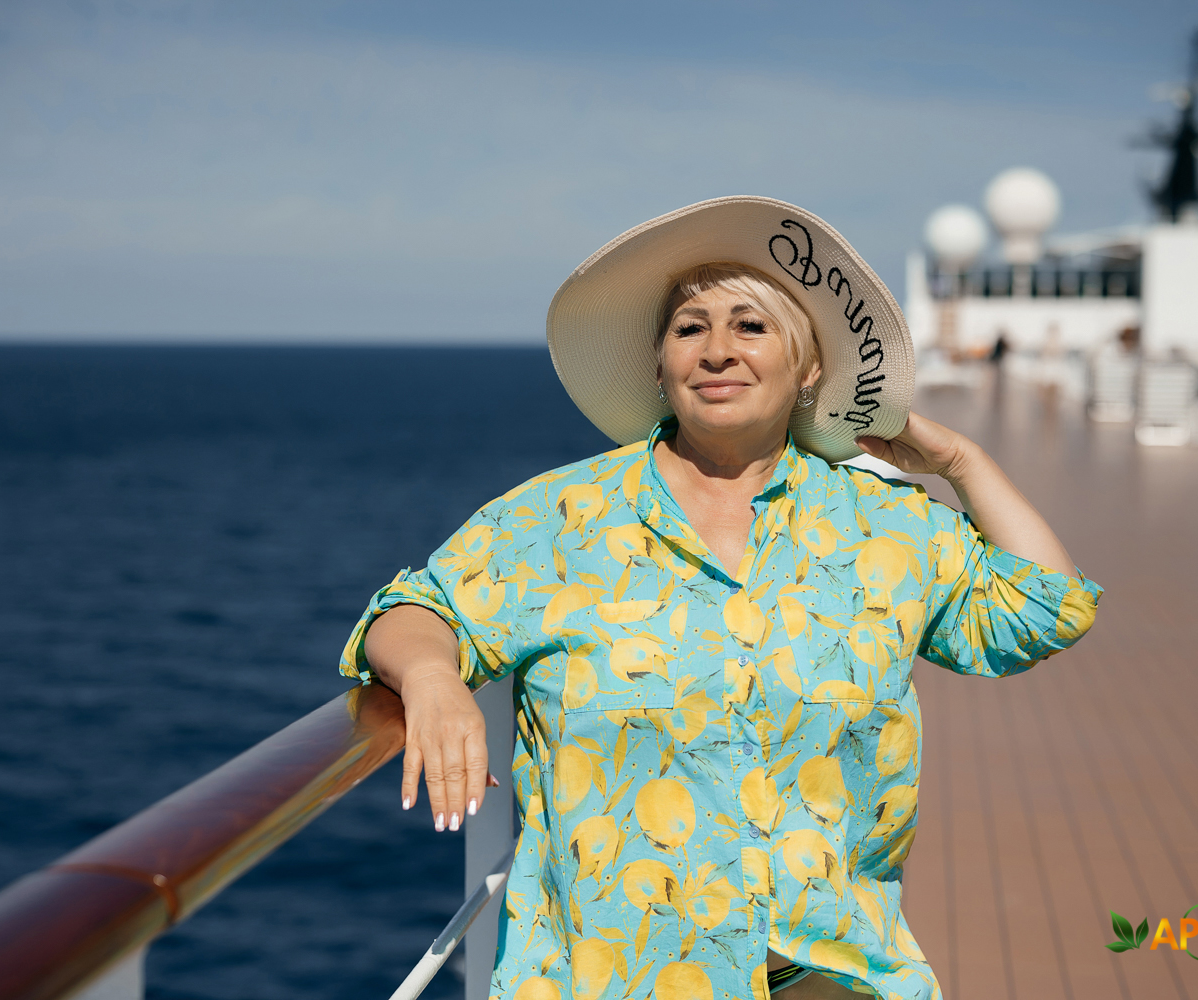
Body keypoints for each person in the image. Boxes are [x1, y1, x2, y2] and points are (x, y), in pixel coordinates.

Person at [341, 197, 1102, 999]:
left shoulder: (884, 527)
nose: (716, 351)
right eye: (689, 328)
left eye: (751, 326)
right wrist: (431, 677)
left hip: (832, 977)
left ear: (808, 367)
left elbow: (1045, 609)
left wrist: (962, 463)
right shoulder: (559, 520)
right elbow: (414, 610)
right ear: (659, 366)